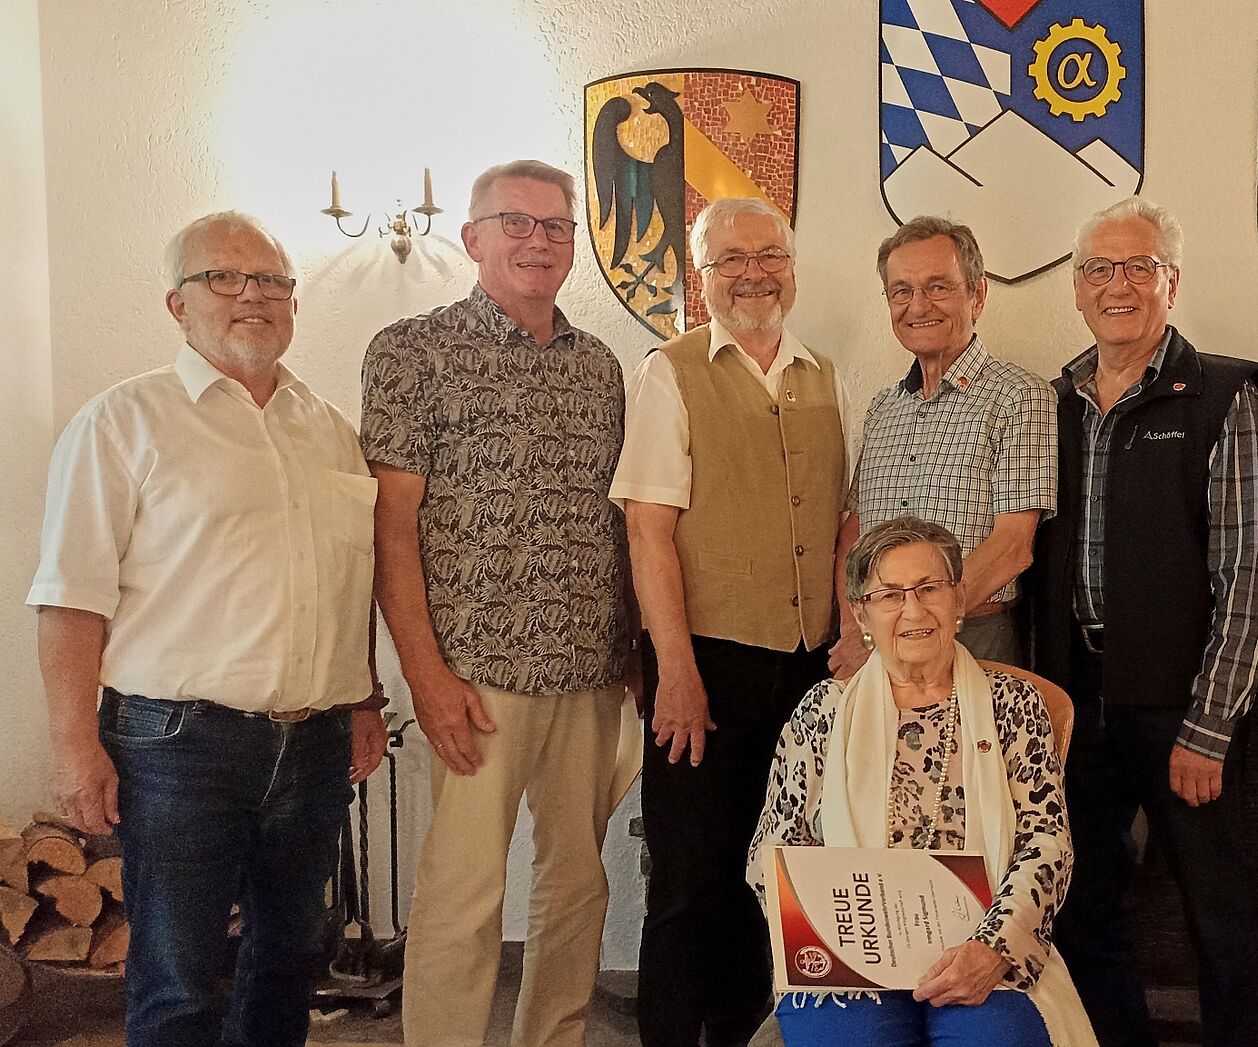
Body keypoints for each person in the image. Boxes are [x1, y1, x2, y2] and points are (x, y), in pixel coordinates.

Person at [29, 211, 386, 1046]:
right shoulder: (122, 423)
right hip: (178, 745)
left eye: (272, 280)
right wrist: (76, 748)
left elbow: (349, 584)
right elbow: (70, 599)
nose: (252, 295)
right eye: (224, 277)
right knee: (180, 977)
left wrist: (366, 699)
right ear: (177, 303)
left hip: (315, 742)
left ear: (293, 301)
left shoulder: (330, 428)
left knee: (289, 958)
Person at [365, 159, 639, 1047]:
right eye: (515, 222)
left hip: (590, 669)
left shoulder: (600, 367)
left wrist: (635, 654)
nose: (538, 240)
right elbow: (391, 530)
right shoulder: (412, 351)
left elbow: (618, 523)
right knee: (464, 894)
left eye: (556, 226)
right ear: (471, 236)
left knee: (578, 887)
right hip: (476, 674)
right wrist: (425, 677)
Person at [1030, 197, 1258, 1047]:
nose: (1119, 285)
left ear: (1172, 282)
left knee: (1221, 915)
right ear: (1076, 288)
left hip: (1184, 706)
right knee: (1078, 902)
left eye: (1139, 267)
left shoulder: (1222, 395)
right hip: (1078, 699)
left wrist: (1210, 725)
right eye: (1099, 268)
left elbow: (1248, 575)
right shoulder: (1053, 402)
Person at [612, 196, 854, 1047]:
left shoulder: (827, 374)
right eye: (731, 259)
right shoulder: (668, 372)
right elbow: (647, 531)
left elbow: (845, 521)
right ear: (702, 276)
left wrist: (849, 630)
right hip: (704, 662)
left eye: (769, 255)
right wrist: (674, 671)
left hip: (808, 665)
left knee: (776, 871)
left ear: (792, 265)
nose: (754, 273)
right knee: (689, 880)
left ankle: (744, 1033)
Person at [749, 516, 1096, 1046]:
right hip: (849, 959)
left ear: (958, 600)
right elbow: (773, 849)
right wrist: (830, 939)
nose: (913, 610)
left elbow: (1046, 844)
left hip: (982, 946)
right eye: (889, 595)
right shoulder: (824, 711)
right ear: (861, 613)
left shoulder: (1012, 704)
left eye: (929, 588)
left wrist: (993, 948)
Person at [832, 216, 1057, 674]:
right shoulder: (883, 408)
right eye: (901, 291)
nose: (918, 305)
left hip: (974, 637)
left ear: (977, 295)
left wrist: (906, 628)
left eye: (938, 287)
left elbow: (1013, 547)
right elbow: (855, 532)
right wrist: (855, 631)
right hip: (877, 643)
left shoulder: (1020, 397)